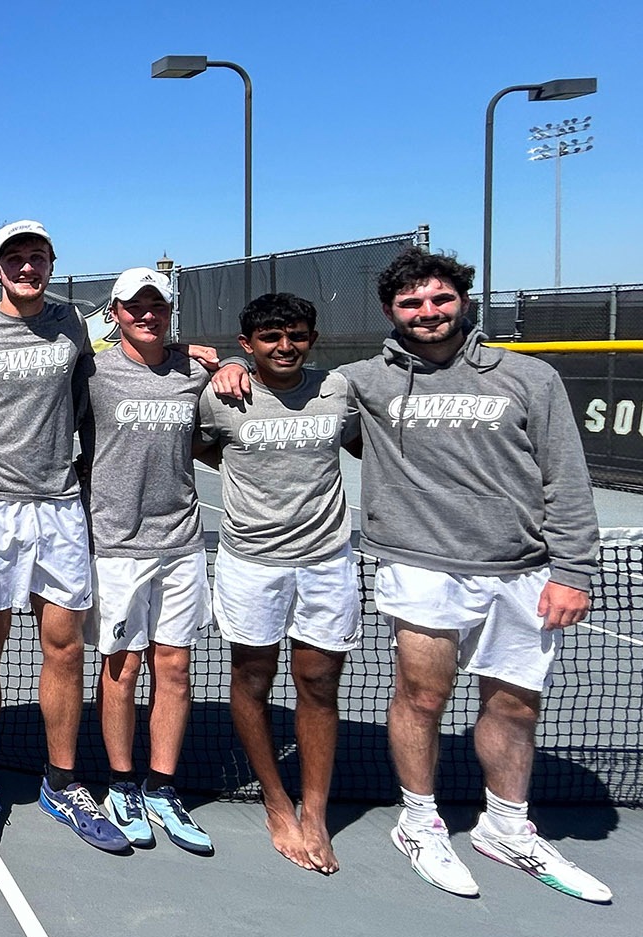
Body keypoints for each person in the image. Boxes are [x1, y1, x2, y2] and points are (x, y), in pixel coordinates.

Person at [213, 249, 607, 901]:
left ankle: (507, 827)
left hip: (520, 569)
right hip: (419, 566)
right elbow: (231, 414)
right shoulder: (366, 380)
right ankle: (419, 824)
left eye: (440, 298)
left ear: (464, 300)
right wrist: (225, 367)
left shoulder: (527, 376)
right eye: (412, 302)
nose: (428, 311)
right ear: (390, 311)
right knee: (420, 698)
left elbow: (565, 475)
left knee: (515, 703)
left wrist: (572, 568)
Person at [0, 221, 122, 852]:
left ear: (51, 263)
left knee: (66, 649)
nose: (27, 267)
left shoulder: (74, 323)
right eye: (15, 258)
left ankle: (62, 781)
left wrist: (218, 360)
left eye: (37, 257)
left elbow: (136, 349)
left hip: (60, 507)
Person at [197, 292, 360, 872]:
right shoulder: (220, 398)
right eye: (270, 337)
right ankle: (276, 801)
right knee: (253, 677)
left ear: (312, 339)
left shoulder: (338, 392)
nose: (285, 347)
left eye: (296, 336)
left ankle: (315, 811)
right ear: (248, 344)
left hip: (327, 562)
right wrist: (221, 368)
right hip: (251, 564)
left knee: (318, 682)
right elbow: (197, 445)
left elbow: (367, 445)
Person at [77, 267, 214, 855]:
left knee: (175, 669)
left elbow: (219, 416)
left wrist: (226, 362)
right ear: (116, 313)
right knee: (122, 669)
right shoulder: (93, 373)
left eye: (157, 305)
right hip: (115, 545)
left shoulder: (195, 374)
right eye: (136, 306)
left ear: (170, 311)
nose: (147, 314)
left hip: (182, 544)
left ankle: (161, 787)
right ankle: (122, 786)